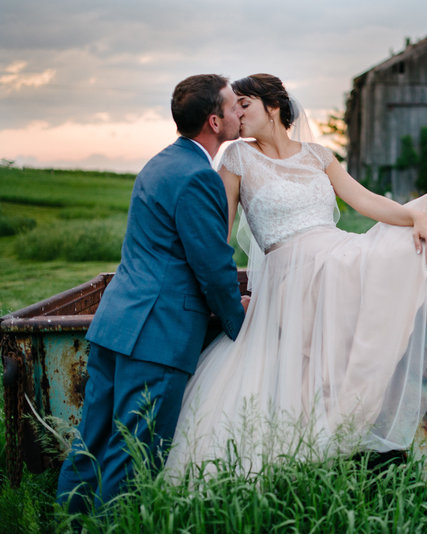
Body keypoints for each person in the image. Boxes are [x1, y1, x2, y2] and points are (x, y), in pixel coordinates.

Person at [165, 73, 427, 475]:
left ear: (272, 107)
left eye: (244, 104)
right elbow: (218, 237)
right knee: (414, 245)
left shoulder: (317, 155)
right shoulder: (237, 159)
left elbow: (365, 201)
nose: (235, 114)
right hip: (291, 276)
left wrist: (416, 216)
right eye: (233, 106)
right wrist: (228, 296)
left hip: (337, 253)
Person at [56, 74, 249, 512]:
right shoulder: (199, 177)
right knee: (135, 457)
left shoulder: (159, 162)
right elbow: (214, 267)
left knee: (91, 445)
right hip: (157, 337)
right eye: (232, 106)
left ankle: (70, 524)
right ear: (215, 122)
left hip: (117, 326)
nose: (240, 111)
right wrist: (239, 322)